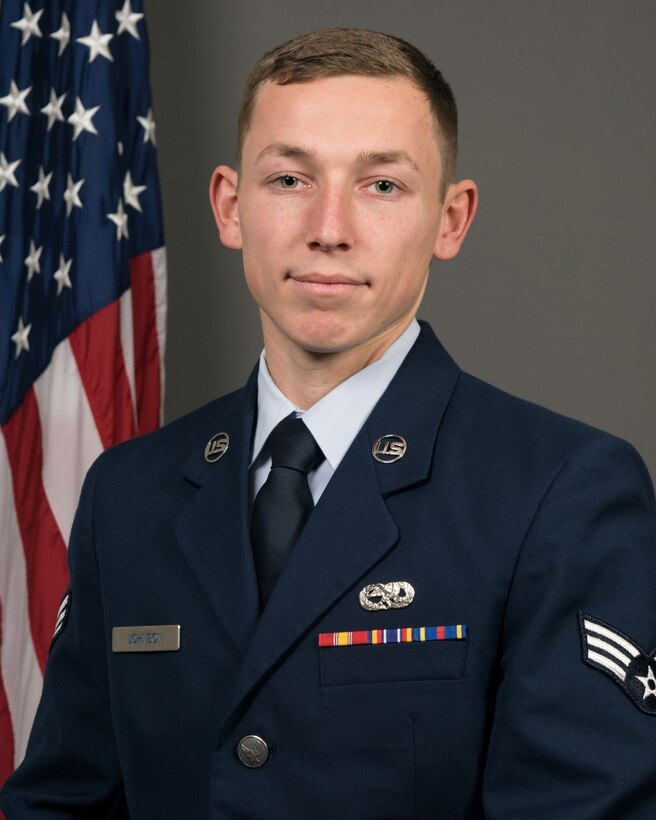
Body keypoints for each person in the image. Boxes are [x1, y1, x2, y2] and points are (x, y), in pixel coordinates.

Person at [2, 27, 656, 820]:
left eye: (382, 186)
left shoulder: (560, 492)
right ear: (229, 206)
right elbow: (64, 802)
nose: (329, 226)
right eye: (288, 179)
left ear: (451, 220)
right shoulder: (129, 494)